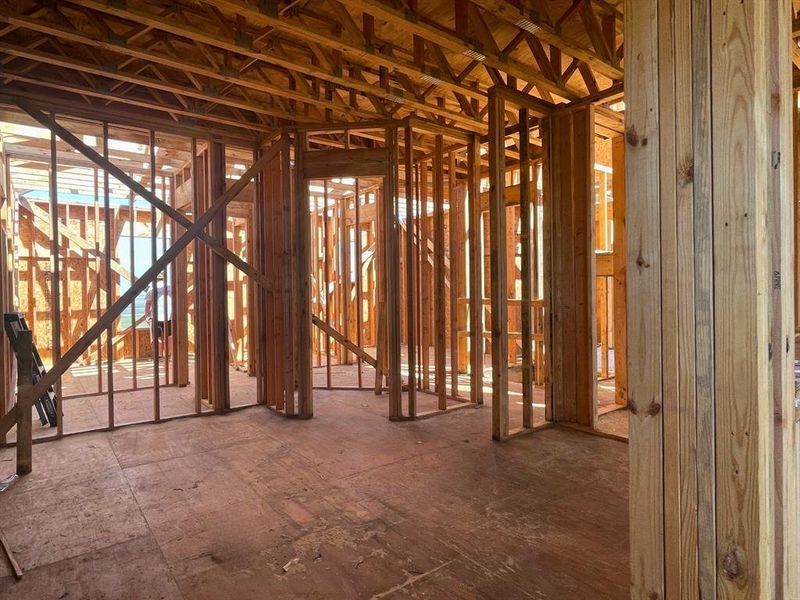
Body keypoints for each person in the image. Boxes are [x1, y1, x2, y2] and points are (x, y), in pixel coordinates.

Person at [144, 275, 172, 360]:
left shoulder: (152, 288)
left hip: (156, 316)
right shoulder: (170, 287)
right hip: (169, 315)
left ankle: (159, 356)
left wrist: (147, 316)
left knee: (157, 337)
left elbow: (148, 304)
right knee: (169, 336)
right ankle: (168, 356)